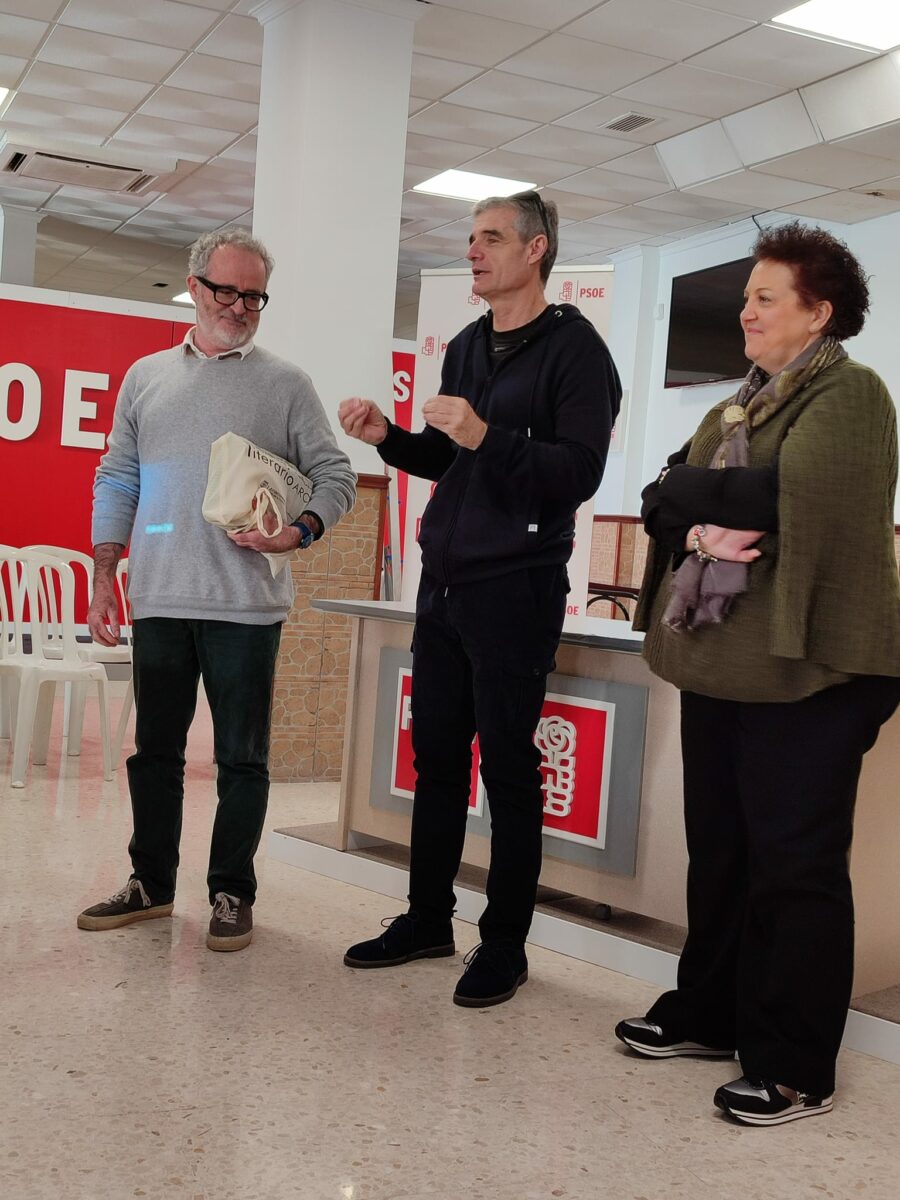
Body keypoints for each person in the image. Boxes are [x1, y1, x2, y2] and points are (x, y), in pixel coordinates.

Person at [615, 222, 900, 1125]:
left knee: (797, 868)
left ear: (820, 312)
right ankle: (709, 1011)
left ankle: (793, 1064)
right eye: (746, 296)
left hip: (816, 668)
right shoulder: (737, 405)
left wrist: (695, 501)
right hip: (727, 663)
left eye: (766, 296)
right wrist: (697, 512)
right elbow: (666, 498)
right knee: (724, 855)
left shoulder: (851, 395)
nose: (745, 311)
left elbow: (786, 496)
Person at [338, 191, 621, 1007]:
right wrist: (388, 437)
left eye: (491, 237)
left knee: (507, 769)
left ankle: (505, 945)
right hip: (448, 586)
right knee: (434, 765)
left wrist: (485, 436)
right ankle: (429, 919)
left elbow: (578, 473)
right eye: (470, 238)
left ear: (536, 251)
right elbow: (452, 460)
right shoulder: (465, 347)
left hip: (516, 589)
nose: (474, 250)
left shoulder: (577, 353)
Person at [77, 228, 356, 952]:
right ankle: (150, 885)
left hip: (245, 606)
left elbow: (338, 477)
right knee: (155, 754)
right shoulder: (145, 377)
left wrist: (296, 532)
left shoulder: (285, 384)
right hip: (162, 598)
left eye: (253, 295)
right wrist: (106, 577)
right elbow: (119, 476)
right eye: (226, 290)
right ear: (194, 285)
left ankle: (232, 891)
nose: (239, 306)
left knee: (242, 760)